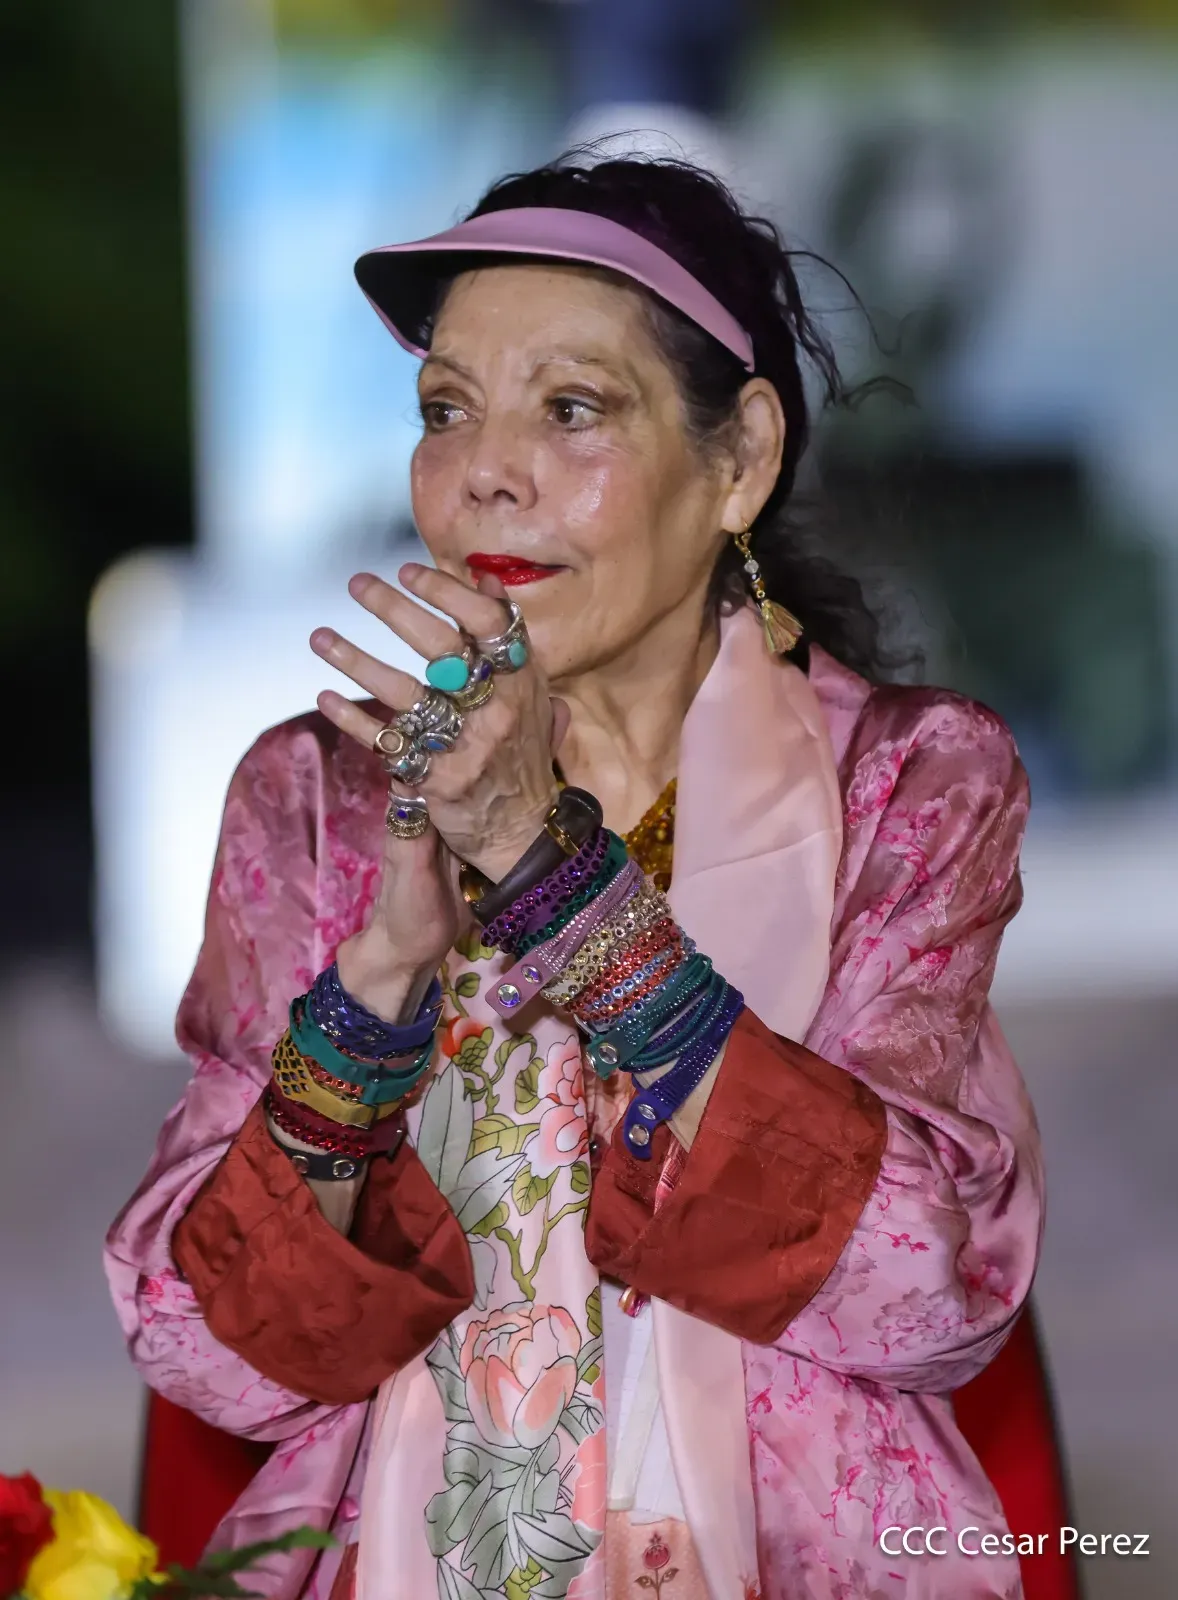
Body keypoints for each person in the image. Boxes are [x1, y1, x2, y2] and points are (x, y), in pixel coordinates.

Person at [107, 156, 1045, 1600]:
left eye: (571, 408)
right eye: (445, 408)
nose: (484, 466)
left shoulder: (907, 785)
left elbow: (927, 1286)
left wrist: (551, 884)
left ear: (736, 459)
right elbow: (200, 1350)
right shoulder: (316, 796)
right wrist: (368, 1002)